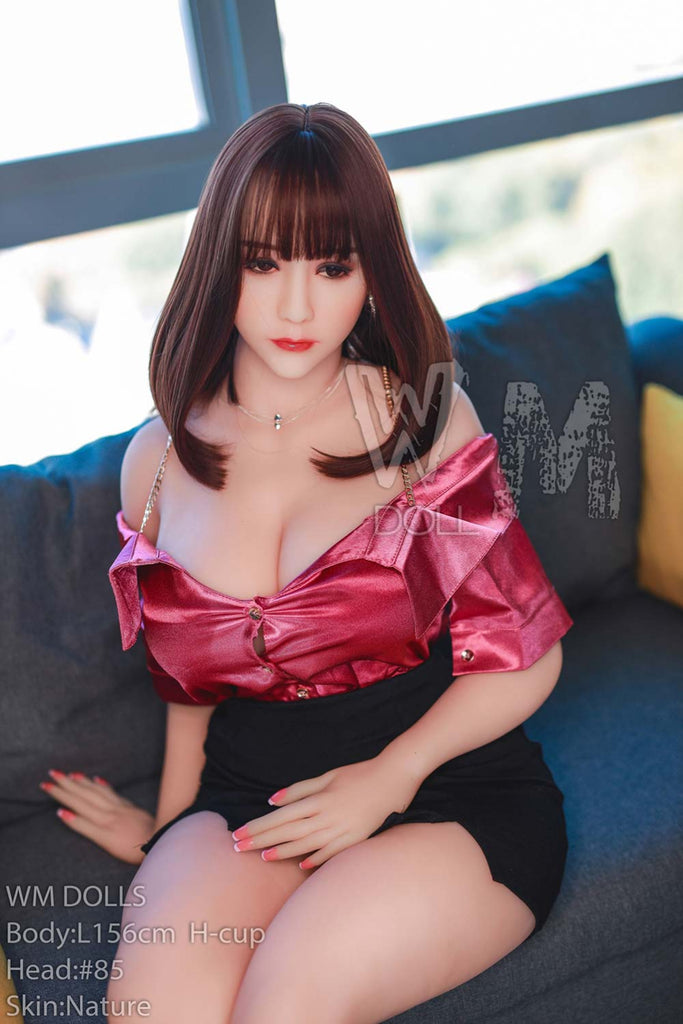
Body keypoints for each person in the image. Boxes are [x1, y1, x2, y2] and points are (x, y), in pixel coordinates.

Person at [42, 102, 573, 1024]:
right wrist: (170, 827)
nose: (296, 307)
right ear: (218, 263)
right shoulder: (154, 461)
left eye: (332, 266)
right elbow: (187, 685)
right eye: (262, 263)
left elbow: (527, 654)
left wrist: (389, 776)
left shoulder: (422, 420)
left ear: (373, 272)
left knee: (284, 1007)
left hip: (446, 787)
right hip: (251, 792)